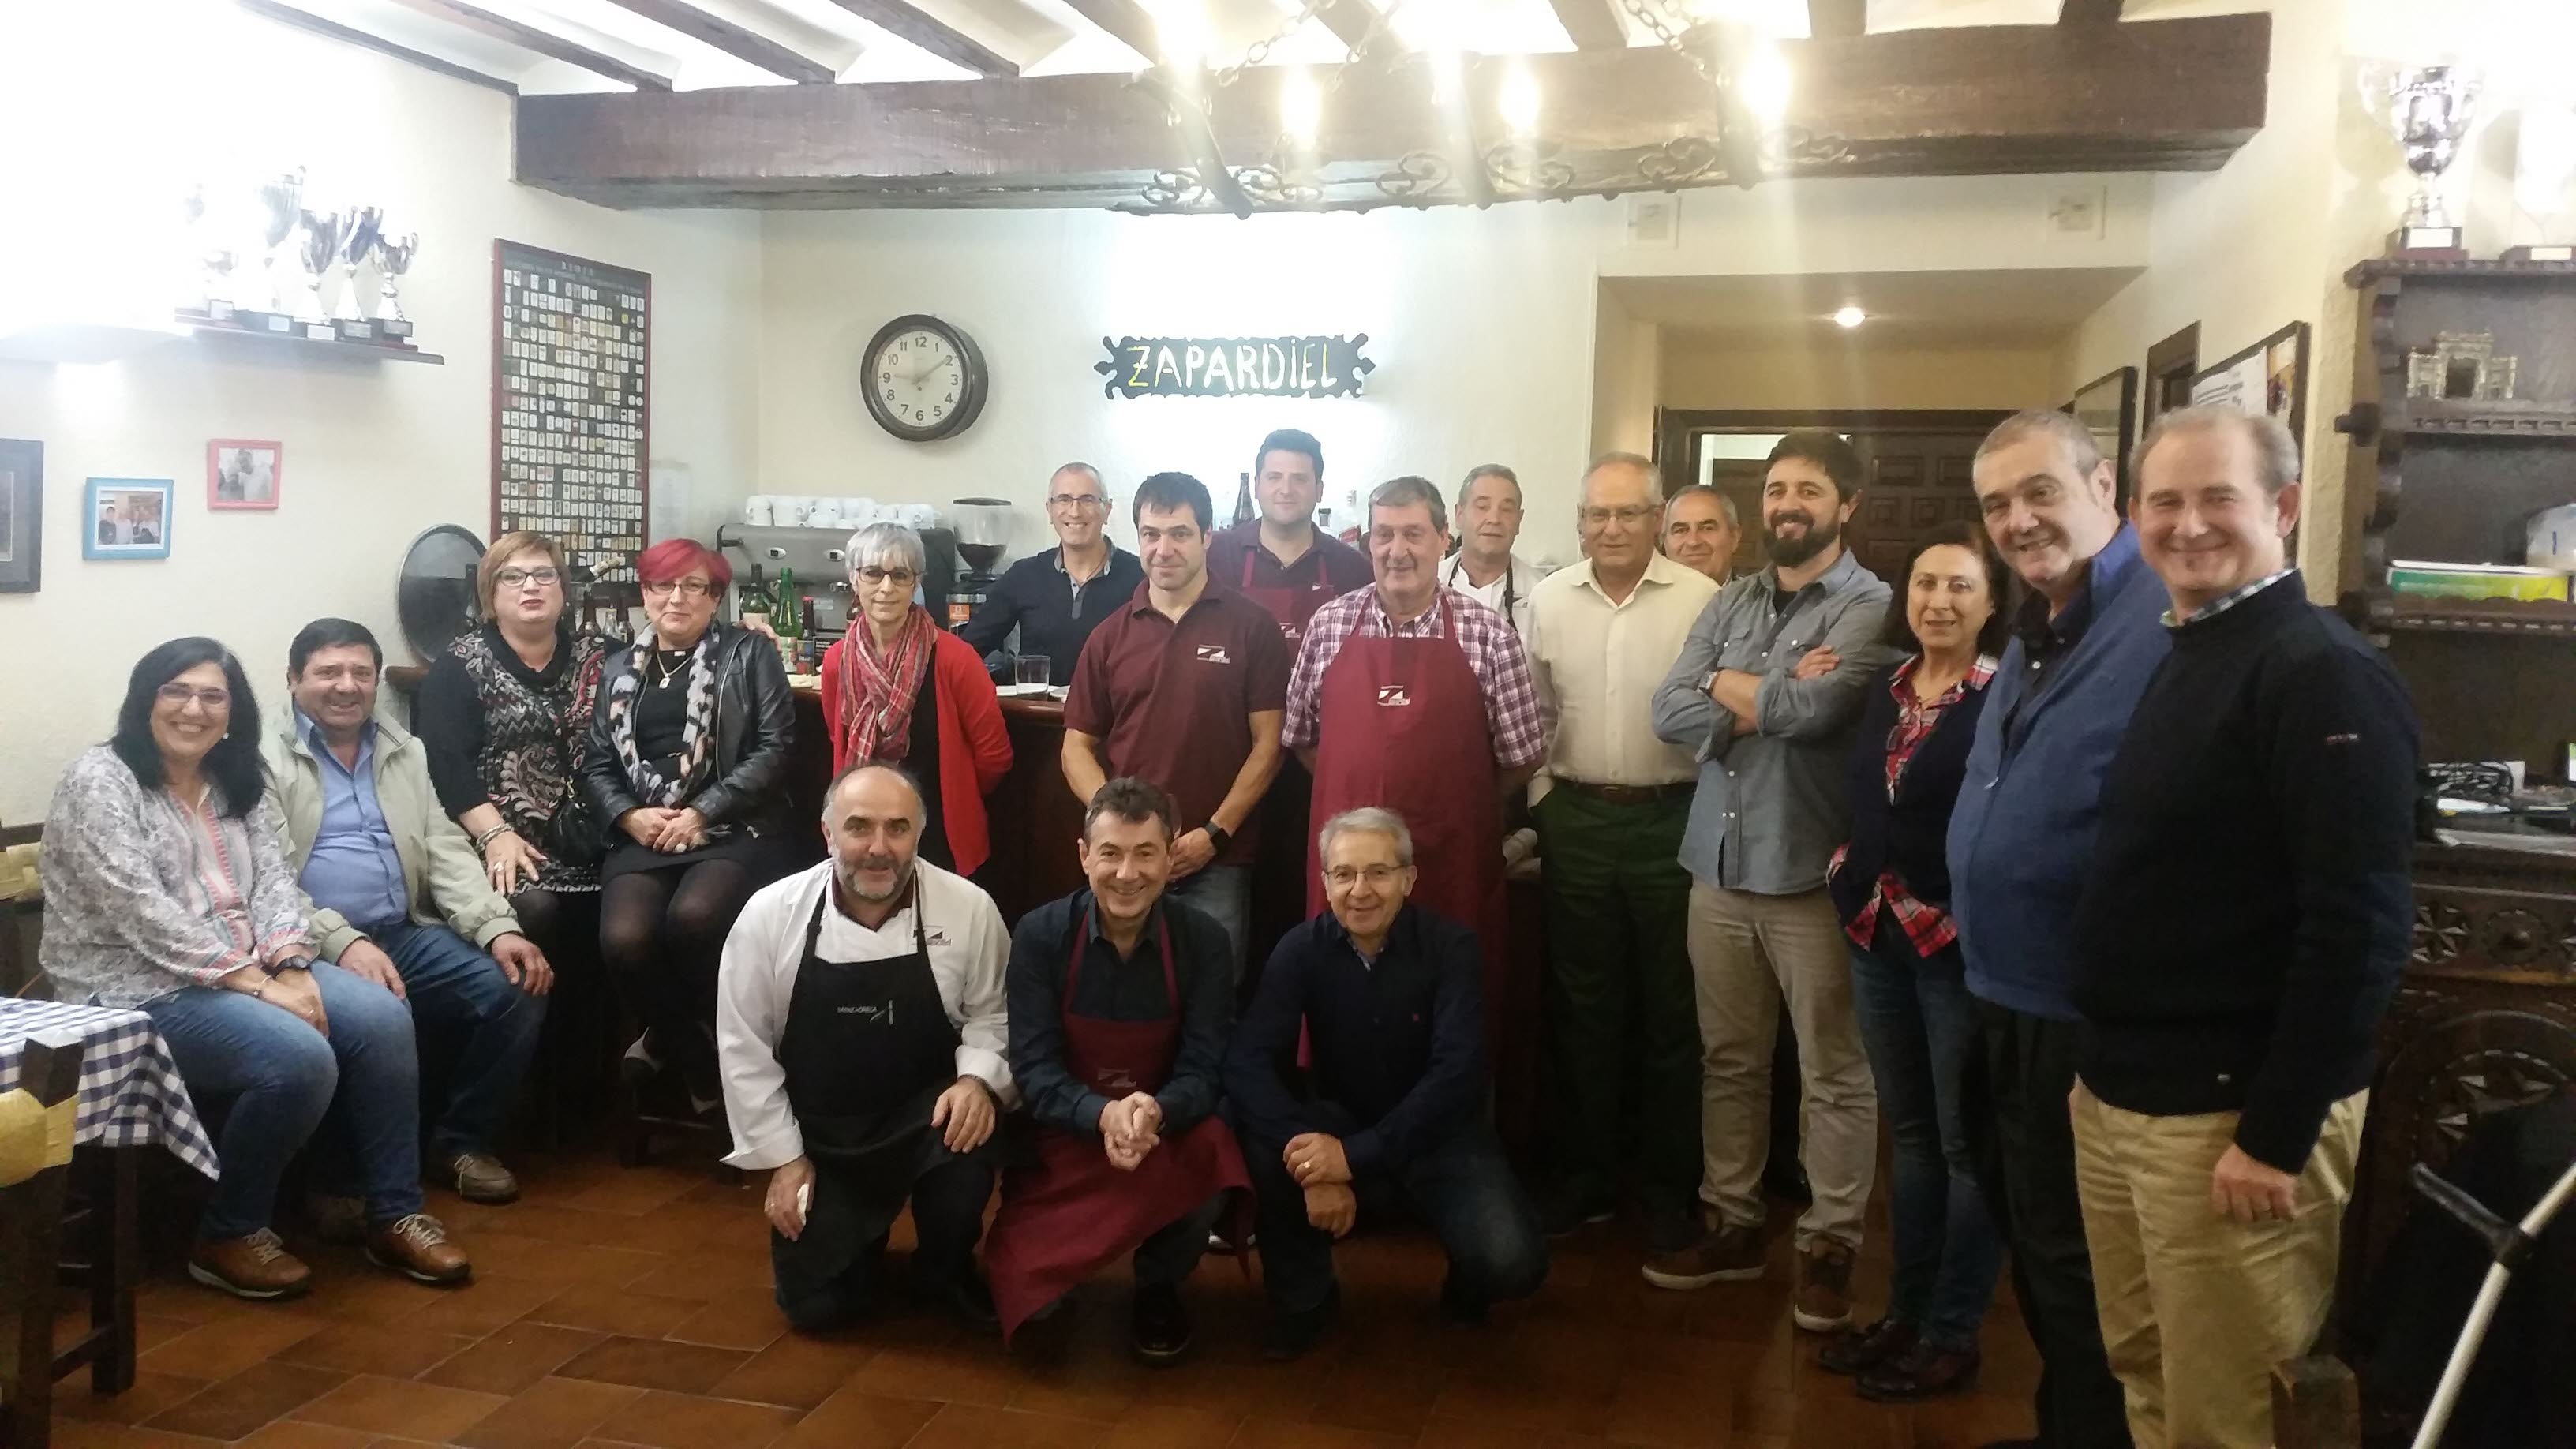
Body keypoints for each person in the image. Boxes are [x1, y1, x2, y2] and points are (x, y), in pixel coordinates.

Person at [2068, 408, 2417, 1449]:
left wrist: (2274, 1136)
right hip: (2130, 1095)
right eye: (2164, 502)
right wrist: (2100, 1071)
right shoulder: (2196, 648)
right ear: (2133, 518)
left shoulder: (2320, 670)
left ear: (2285, 505)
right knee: (2151, 1379)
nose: (2188, 524)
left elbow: (2357, 927)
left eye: (2218, 496)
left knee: (2228, 1420)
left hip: (2232, 1125)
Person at [39, 639, 470, 1297]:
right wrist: (262, 985)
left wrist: (294, 963)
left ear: (233, 710)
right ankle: (227, 1231)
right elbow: (141, 915)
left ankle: (394, 1211)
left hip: (250, 964)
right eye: (176, 692)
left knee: (383, 1017)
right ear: (143, 700)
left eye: (214, 696)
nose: (195, 709)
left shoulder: (239, 774)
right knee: (298, 1058)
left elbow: (274, 879)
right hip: (136, 986)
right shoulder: (102, 780)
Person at [1948, 407, 2172, 1449]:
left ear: (2103, 492)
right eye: (1998, 503)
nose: (2019, 520)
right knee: (2033, 1236)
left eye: (2041, 492)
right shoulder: (2037, 619)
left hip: (2086, 1013)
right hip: (2000, 987)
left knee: (2085, 1261)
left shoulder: (2167, 621)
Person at [1646, 431, 1892, 1330]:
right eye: (1777, 487)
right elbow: (1668, 706)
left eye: (1809, 490)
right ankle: (1734, 1221)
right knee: (1730, 1059)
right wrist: (1754, 683)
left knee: (1833, 1068)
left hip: (1809, 875)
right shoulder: (1734, 598)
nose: (1787, 503)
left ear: (1846, 504)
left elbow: (1813, 709)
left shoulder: (1869, 604)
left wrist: (1746, 691)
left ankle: (1831, 1243)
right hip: (1716, 865)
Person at [1228, 807, 1548, 1359]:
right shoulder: (1300, 950)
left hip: (1442, 1134)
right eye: (1344, 873)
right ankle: (1305, 1300)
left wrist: (1352, 1158)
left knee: (1512, 1263)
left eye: (1378, 872)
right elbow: (1247, 1062)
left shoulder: (1452, 949)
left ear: (1408, 878)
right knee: (1256, 1131)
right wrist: (1309, 1159)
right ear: (1324, 880)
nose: (1360, 890)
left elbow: (1458, 1075)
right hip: (1340, 1119)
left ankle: (1468, 1285)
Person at [1814, 522, 2009, 1401]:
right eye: (1926, 584)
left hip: (1957, 943)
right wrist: (1846, 868)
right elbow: (1864, 794)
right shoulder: (1888, 688)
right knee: (1915, 1141)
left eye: (1960, 587)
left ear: (1991, 603)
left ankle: (1951, 1329)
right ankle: (1903, 1313)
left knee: (1969, 1145)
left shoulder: (2003, 697)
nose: (1938, 601)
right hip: (1876, 931)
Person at [717, 762, 1016, 1333]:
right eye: (859, 828)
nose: (879, 848)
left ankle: (945, 1268)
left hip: (926, 1120)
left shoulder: (968, 908)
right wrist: (784, 1160)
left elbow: (994, 1015)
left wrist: (977, 1081)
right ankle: (858, 1239)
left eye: (898, 829)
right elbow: (744, 1050)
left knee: (968, 1154)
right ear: (827, 833)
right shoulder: (769, 917)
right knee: (818, 1312)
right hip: (823, 1140)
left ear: (920, 834)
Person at [264, 618, 552, 1211]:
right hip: (308, 945)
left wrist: (496, 926)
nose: (347, 686)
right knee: (375, 1014)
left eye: (361, 673)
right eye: (327, 672)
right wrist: (342, 942)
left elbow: (444, 847)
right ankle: (340, 1178)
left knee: (517, 984)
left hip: (406, 931)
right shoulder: (259, 760)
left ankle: (460, 1144)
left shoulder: (402, 748)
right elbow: (263, 880)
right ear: (293, 680)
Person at [1522, 452, 1718, 1246]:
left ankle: (1669, 1188)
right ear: (1578, 523)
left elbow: (1723, 709)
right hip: (1576, 819)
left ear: (1657, 517)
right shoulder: (1545, 601)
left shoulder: (1704, 600)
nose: (1611, 529)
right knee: (1583, 1009)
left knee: (1674, 1011)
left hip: (1671, 820)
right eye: (1596, 515)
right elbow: (1526, 715)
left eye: (1628, 514)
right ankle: (1587, 1179)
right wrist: (1543, 803)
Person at [986, 777, 1249, 1361]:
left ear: (1170, 854)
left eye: (1145, 853)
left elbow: (1206, 1068)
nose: (1127, 874)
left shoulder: (1203, 940)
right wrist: (1100, 1115)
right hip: (1066, 1139)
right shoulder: (1041, 935)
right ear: (1084, 857)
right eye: (1110, 853)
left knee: (1213, 1144)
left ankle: (1159, 1286)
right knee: (1036, 1308)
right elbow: (1032, 1067)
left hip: (1161, 1132)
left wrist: (1155, 1110)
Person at [1282, 476, 1545, 1016]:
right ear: (1368, 543)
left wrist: (1460, 798)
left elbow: (1522, 756)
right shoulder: (1329, 625)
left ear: (1443, 538)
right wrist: (1351, 781)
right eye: (1383, 536)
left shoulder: (1489, 634)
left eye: (1413, 535)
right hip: (1346, 866)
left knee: (1447, 1007)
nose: (1396, 551)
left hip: (1450, 862)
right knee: (1343, 1008)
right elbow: (1303, 740)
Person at [581, 537, 799, 1117]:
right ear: (644, 594)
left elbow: (777, 750)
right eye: (661, 585)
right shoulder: (618, 669)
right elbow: (599, 764)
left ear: (715, 597)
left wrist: (704, 810)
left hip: (735, 826)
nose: (676, 598)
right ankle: (693, 1049)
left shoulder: (750, 653)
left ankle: (670, 1040)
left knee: (695, 919)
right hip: (646, 830)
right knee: (624, 940)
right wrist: (629, 814)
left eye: (693, 586)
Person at [1061, 472, 1290, 978]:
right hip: (1127, 862)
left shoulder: (1253, 627)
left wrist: (1214, 834)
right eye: (1151, 534)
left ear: (1208, 537)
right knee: (1127, 991)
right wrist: (1117, 828)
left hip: (1216, 860)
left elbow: (1270, 745)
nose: (1163, 549)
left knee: (1213, 999)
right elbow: (1076, 746)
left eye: (1180, 534)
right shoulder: (1108, 636)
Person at [417, 533, 613, 1028]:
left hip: (601, 838)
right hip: (503, 842)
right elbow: (446, 765)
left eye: (544, 575)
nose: (531, 586)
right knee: (539, 908)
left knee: (637, 910)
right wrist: (494, 834)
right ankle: (536, 1059)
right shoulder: (459, 665)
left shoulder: (605, 656)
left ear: (563, 589)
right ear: (491, 592)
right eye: (514, 576)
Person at [818, 522, 1012, 877]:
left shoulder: (957, 659)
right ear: (853, 579)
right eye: (873, 573)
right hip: (863, 830)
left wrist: (959, 793)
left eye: (901, 575)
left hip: (940, 831)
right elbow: (838, 739)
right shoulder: (837, 660)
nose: (886, 588)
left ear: (917, 582)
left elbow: (994, 756)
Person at [957, 462, 1144, 683]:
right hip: (1037, 714)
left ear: (1107, 510)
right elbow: (965, 652)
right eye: (1064, 499)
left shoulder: (1141, 578)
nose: (1075, 511)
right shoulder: (1024, 576)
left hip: (1113, 716)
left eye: (1087, 499)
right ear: (1050, 510)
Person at [1208, 429, 1373, 649]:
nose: (1286, 490)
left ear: (1319, 490)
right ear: (1256, 486)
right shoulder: (1213, 557)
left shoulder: (1355, 569)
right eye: (1274, 478)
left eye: (1300, 479)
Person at [1441, 464, 1541, 638]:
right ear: (1459, 515)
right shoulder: (1429, 584)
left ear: (1519, 520)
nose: (1494, 519)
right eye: (1482, 506)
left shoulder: (1541, 593)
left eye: (1506, 509)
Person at [1663, 484, 1743, 585]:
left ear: (1734, 538)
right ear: (1664, 542)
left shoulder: (1758, 599)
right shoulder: (1645, 599)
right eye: (1681, 530)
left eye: (1707, 529)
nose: (1693, 542)